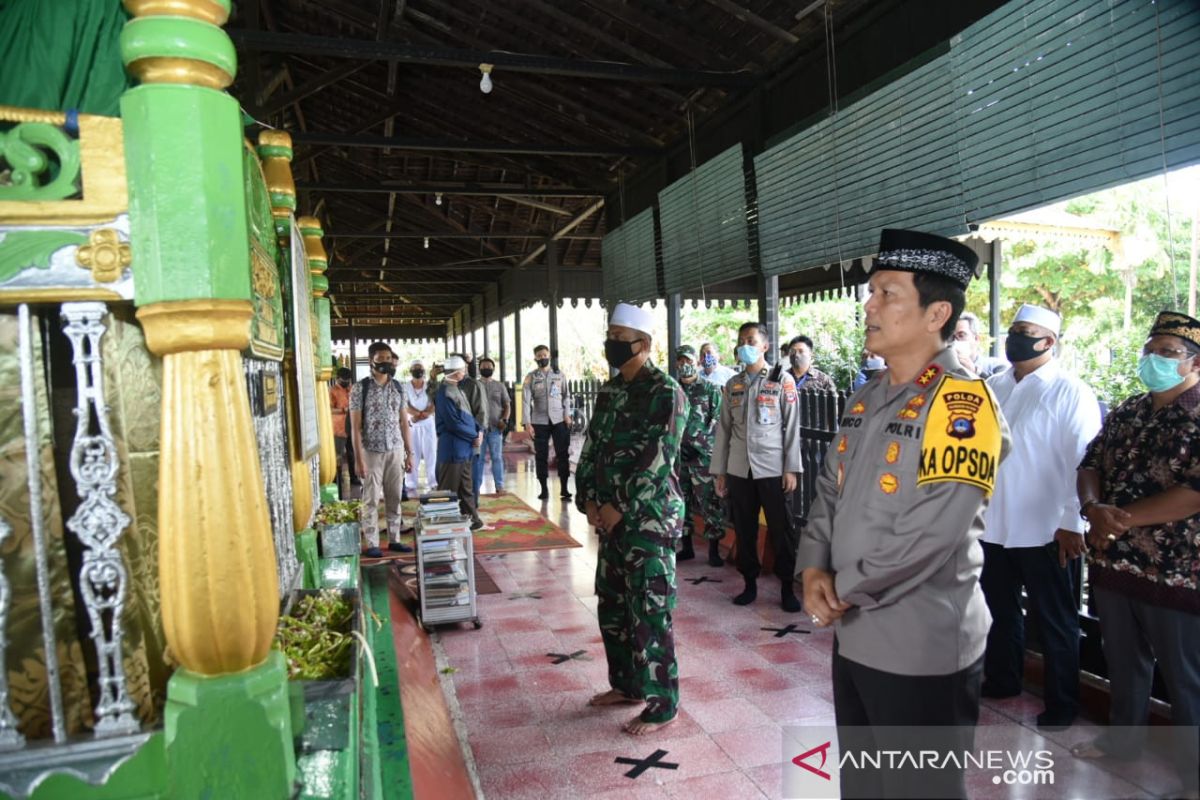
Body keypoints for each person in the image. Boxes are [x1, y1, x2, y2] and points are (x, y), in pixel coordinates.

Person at [797, 228, 1010, 800]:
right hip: (855, 630)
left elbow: (931, 535)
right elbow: (829, 490)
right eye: (872, 293)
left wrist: (840, 587)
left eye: (888, 293)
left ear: (936, 312)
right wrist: (813, 567)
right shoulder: (866, 398)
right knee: (863, 787)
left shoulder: (961, 404)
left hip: (921, 645)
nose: (869, 305)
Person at [1071, 310, 1200, 797]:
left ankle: (1193, 777)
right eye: (1150, 350)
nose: (1154, 360)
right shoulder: (1129, 410)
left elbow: (1194, 492)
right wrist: (1093, 506)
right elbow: (1090, 464)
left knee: (1184, 675)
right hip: (1113, 560)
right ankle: (1123, 741)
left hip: (1175, 570)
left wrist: (1120, 518)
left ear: (1195, 366)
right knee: (1122, 659)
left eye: (1168, 353)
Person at [979, 304, 1101, 731]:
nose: (1014, 337)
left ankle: (1063, 702)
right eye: (1012, 329)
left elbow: (1085, 458)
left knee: (1056, 620)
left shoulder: (1071, 391)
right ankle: (1003, 679)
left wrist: (1074, 520)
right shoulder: (994, 385)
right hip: (994, 523)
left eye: (1024, 331)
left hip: (1048, 528)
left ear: (1048, 341)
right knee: (999, 610)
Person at [576, 302, 688, 736]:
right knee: (614, 604)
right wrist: (588, 499)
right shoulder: (609, 391)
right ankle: (626, 686)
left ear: (643, 344)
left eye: (620, 339)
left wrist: (618, 506)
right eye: (611, 337)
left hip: (649, 521)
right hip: (610, 519)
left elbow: (657, 460)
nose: (612, 345)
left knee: (650, 609)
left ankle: (663, 703)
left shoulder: (666, 393)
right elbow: (592, 448)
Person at [711, 322, 802, 611]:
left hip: (773, 467)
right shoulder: (733, 384)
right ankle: (749, 583)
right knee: (744, 527)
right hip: (740, 468)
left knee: (781, 529)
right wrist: (720, 471)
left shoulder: (781, 380)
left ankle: (787, 586)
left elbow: (792, 428)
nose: (745, 345)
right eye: (741, 340)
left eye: (751, 340)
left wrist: (791, 468)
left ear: (765, 346)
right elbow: (723, 430)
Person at [349, 343, 415, 557]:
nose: (386, 361)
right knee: (370, 498)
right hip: (371, 452)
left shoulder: (399, 387)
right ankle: (372, 542)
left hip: (395, 450)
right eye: (381, 357)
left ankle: (395, 539)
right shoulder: (360, 388)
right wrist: (359, 460)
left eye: (389, 357)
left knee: (394, 497)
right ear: (372, 360)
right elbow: (355, 427)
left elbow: (404, 423)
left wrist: (409, 453)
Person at [674, 345, 725, 566]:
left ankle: (714, 549)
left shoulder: (711, 389)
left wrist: (699, 444)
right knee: (680, 502)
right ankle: (687, 547)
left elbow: (718, 421)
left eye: (688, 361)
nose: (685, 365)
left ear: (696, 362)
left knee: (709, 504)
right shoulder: (672, 390)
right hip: (678, 458)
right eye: (681, 361)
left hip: (702, 457)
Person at [434, 355, 485, 530]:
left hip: (464, 449)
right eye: (463, 370)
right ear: (456, 373)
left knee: (466, 488)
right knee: (447, 491)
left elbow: (468, 414)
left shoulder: (457, 389)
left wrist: (478, 430)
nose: (465, 373)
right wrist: (474, 435)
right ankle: (441, 525)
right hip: (453, 450)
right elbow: (453, 424)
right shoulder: (445, 393)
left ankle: (473, 521)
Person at [522, 344, 573, 500]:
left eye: (545, 355)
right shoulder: (531, 377)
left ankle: (564, 488)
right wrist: (527, 423)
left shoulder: (560, 375)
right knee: (541, 455)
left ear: (549, 356)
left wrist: (567, 414)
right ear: (535, 358)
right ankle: (543, 489)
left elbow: (566, 396)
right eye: (539, 356)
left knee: (562, 454)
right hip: (539, 421)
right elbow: (525, 401)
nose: (542, 358)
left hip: (559, 420)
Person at [475, 356, 510, 496]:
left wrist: (505, 420)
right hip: (479, 429)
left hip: (496, 428)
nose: (486, 369)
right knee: (479, 459)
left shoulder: (499, 386)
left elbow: (507, 405)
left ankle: (499, 486)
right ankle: (476, 487)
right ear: (479, 369)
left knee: (497, 458)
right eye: (483, 367)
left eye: (489, 367)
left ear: (493, 369)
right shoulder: (475, 385)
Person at [404, 360, 437, 493]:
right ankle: (411, 482)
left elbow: (434, 402)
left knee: (431, 454)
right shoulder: (405, 386)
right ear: (411, 370)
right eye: (415, 368)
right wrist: (417, 415)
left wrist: (426, 414)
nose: (418, 370)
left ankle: (433, 481)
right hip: (413, 423)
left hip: (428, 423)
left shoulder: (430, 385)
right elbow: (405, 405)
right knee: (413, 453)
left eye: (420, 367)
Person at [953, 311, 1008, 378]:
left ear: (976, 339)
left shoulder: (996, 366)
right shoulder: (944, 368)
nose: (955, 341)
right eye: (951, 337)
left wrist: (975, 371)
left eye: (961, 335)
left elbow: (1001, 387)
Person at [330, 367, 353, 492]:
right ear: (337, 378)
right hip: (338, 428)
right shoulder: (332, 391)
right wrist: (344, 410)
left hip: (352, 427)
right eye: (344, 379)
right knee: (337, 455)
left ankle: (354, 477)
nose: (346, 381)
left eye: (348, 379)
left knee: (352, 454)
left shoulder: (352, 389)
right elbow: (329, 410)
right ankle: (335, 479)